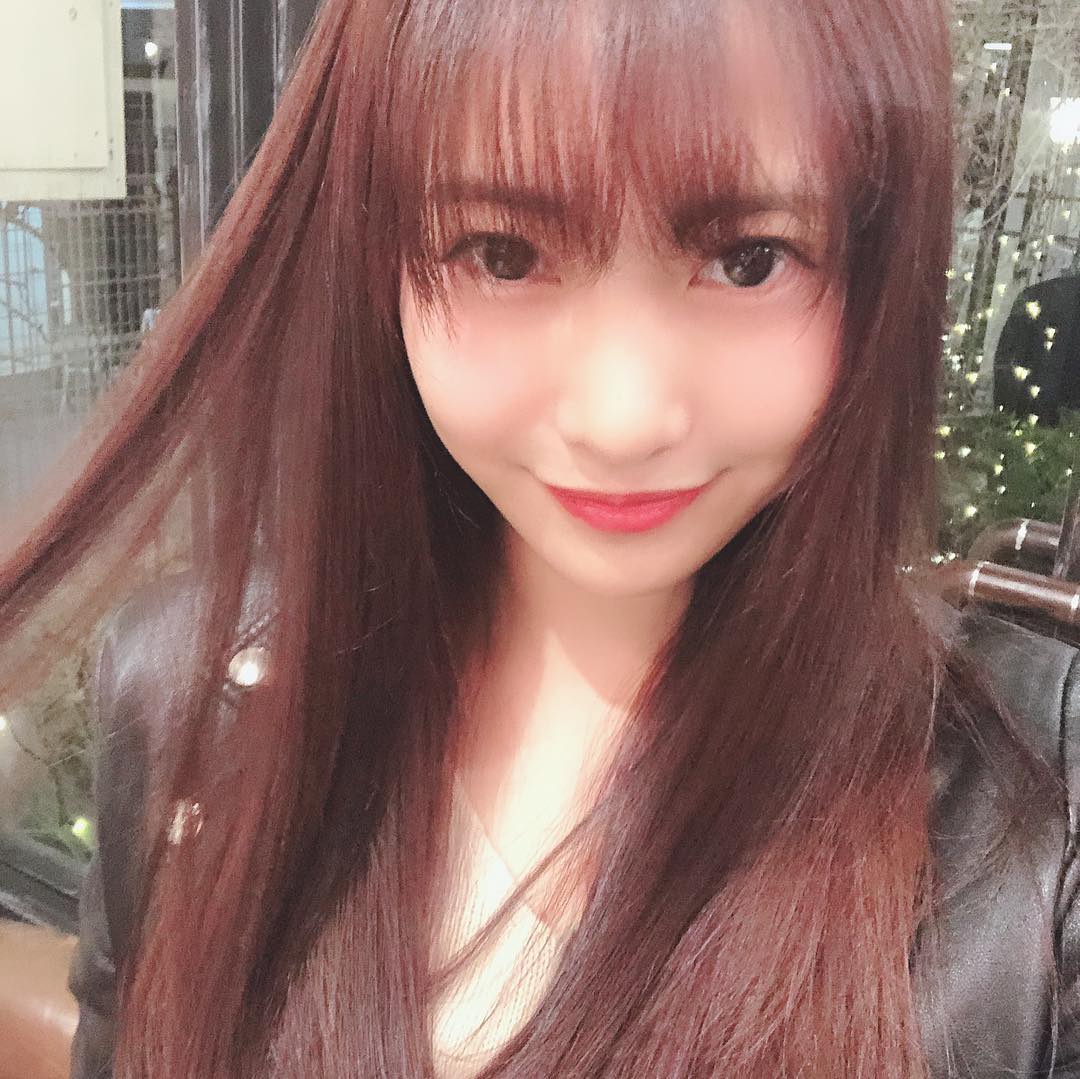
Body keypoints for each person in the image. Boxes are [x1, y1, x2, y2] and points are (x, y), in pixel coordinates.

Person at [0, 0, 1077, 1075]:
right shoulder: (184, 691)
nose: (621, 420)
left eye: (751, 259)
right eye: (504, 253)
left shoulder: (1042, 832)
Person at [994, 273, 1080, 426]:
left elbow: (1006, 366)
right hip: (1038, 423)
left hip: (1033, 423)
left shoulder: (1039, 295)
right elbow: (1007, 367)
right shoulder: (1040, 297)